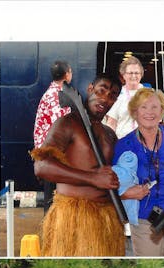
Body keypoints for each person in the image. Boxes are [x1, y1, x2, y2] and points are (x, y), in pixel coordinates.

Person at [31, 73, 124, 257]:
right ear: (90, 89)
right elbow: (41, 166)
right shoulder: (68, 123)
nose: (105, 98)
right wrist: (92, 178)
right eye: (101, 90)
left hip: (106, 219)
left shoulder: (110, 134)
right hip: (73, 218)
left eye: (112, 95)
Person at [112, 88, 164, 256]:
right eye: (144, 107)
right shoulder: (124, 145)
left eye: (154, 107)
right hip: (145, 218)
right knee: (150, 266)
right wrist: (127, 193)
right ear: (135, 112)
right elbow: (114, 186)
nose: (149, 112)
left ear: (161, 111)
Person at [33, 59, 73, 212]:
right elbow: (60, 126)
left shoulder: (49, 94)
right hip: (53, 154)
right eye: (70, 72)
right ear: (67, 75)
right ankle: (51, 233)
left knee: (51, 197)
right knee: (53, 198)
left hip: (46, 152)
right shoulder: (58, 96)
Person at [104, 57, 145, 139]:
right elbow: (111, 124)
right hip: (123, 142)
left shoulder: (149, 94)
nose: (134, 76)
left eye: (137, 73)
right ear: (123, 75)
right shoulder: (117, 94)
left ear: (141, 74)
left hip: (145, 143)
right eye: (130, 73)